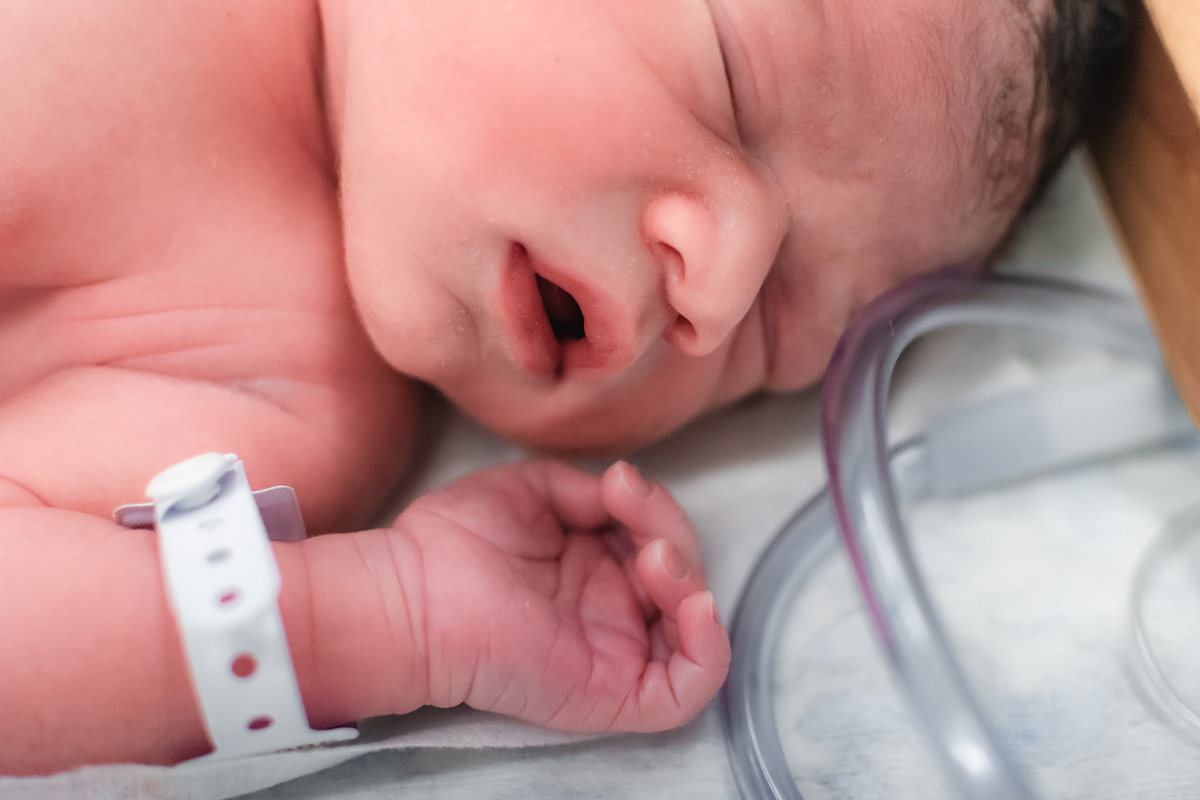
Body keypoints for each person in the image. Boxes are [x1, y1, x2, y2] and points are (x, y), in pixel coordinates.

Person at [0, 0, 1125, 776]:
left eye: (776, 327)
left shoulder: (287, 394)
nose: (721, 285)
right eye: (735, 77)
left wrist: (384, 615)